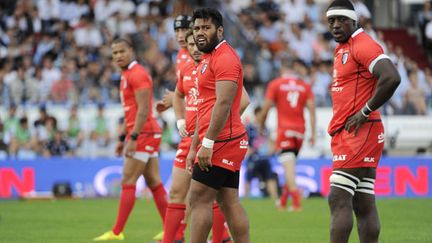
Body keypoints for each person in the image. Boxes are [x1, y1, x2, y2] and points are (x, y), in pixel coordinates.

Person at [325, 1, 401, 243]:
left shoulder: (362, 43)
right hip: (359, 131)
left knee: (338, 197)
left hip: (359, 131)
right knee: (363, 200)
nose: (336, 25)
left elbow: (391, 77)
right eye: (331, 21)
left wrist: (364, 111)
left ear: (354, 20)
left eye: (341, 20)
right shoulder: (344, 46)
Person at [163, 30, 244, 243]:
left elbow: (239, 101)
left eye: (196, 40)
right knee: (224, 199)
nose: (194, 47)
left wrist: (222, 129)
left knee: (200, 198)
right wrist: (182, 124)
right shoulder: (192, 69)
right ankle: (173, 238)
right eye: (190, 43)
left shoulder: (221, 61)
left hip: (216, 139)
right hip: (198, 139)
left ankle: (216, 239)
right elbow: (189, 101)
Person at [94, 38, 168, 241]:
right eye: (114, 53)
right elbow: (131, 111)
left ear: (131, 51)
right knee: (154, 182)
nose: (118, 56)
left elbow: (144, 109)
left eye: (121, 51)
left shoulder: (138, 74)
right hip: (145, 132)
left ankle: (117, 232)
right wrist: (121, 138)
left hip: (144, 133)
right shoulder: (127, 74)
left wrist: (133, 137)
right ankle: (172, 230)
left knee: (128, 180)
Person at [187, 8, 249, 243]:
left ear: (220, 30)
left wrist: (208, 143)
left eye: (206, 28)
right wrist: (195, 144)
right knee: (228, 202)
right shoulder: (209, 57)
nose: (199, 33)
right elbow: (205, 107)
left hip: (221, 140)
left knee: (199, 199)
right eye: (196, 28)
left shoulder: (225, 58)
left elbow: (223, 103)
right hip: (220, 139)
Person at [257, 58, 316, 211]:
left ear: (282, 68)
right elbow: (312, 111)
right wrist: (313, 133)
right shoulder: (304, 86)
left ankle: (296, 202)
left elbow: (266, 108)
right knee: (290, 165)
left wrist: (261, 126)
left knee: (288, 168)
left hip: (285, 130)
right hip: (300, 132)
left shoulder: (276, 84)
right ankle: (283, 201)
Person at [155, 15, 193, 113]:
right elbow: (184, 89)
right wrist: (168, 101)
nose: (180, 35)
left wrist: (174, 99)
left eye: (184, 30)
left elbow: (202, 94)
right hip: (187, 116)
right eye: (177, 31)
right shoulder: (180, 54)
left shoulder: (198, 55)